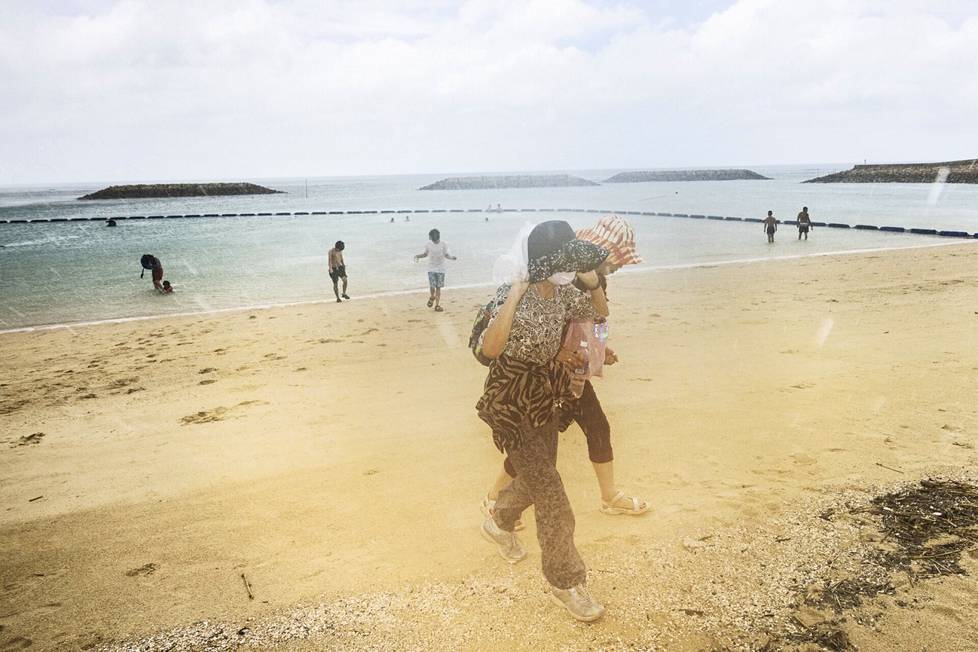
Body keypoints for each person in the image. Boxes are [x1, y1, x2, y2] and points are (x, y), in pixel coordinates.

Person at [476, 220, 610, 622]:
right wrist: (515, 295)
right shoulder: (511, 293)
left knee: (538, 479)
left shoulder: (566, 295)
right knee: (552, 492)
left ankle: (499, 522)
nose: (569, 265)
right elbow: (488, 351)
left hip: (546, 397)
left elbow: (599, 316)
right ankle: (564, 581)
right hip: (511, 400)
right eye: (565, 258)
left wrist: (592, 283)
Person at [481, 216, 648, 527]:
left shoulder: (591, 278)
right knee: (540, 443)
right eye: (618, 259)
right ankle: (495, 499)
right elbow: (541, 330)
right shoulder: (564, 275)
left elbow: (591, 321)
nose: (619, 266)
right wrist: (567, 356)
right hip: (552, 373)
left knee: (571, 434)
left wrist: (598, 353)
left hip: (573, 368)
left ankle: (608, 495)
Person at [414, 229, 457, 312]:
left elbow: (446, 255)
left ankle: (437, 305)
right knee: (432, 286)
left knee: (438, 287)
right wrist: (418, 256)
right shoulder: (428, 244)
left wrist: (452, 258)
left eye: (430, 236)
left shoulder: (443, 244)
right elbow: (425, 254)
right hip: (431, 268)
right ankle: (432, 296)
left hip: (441, 269)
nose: (429, 238)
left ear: (433, 237)